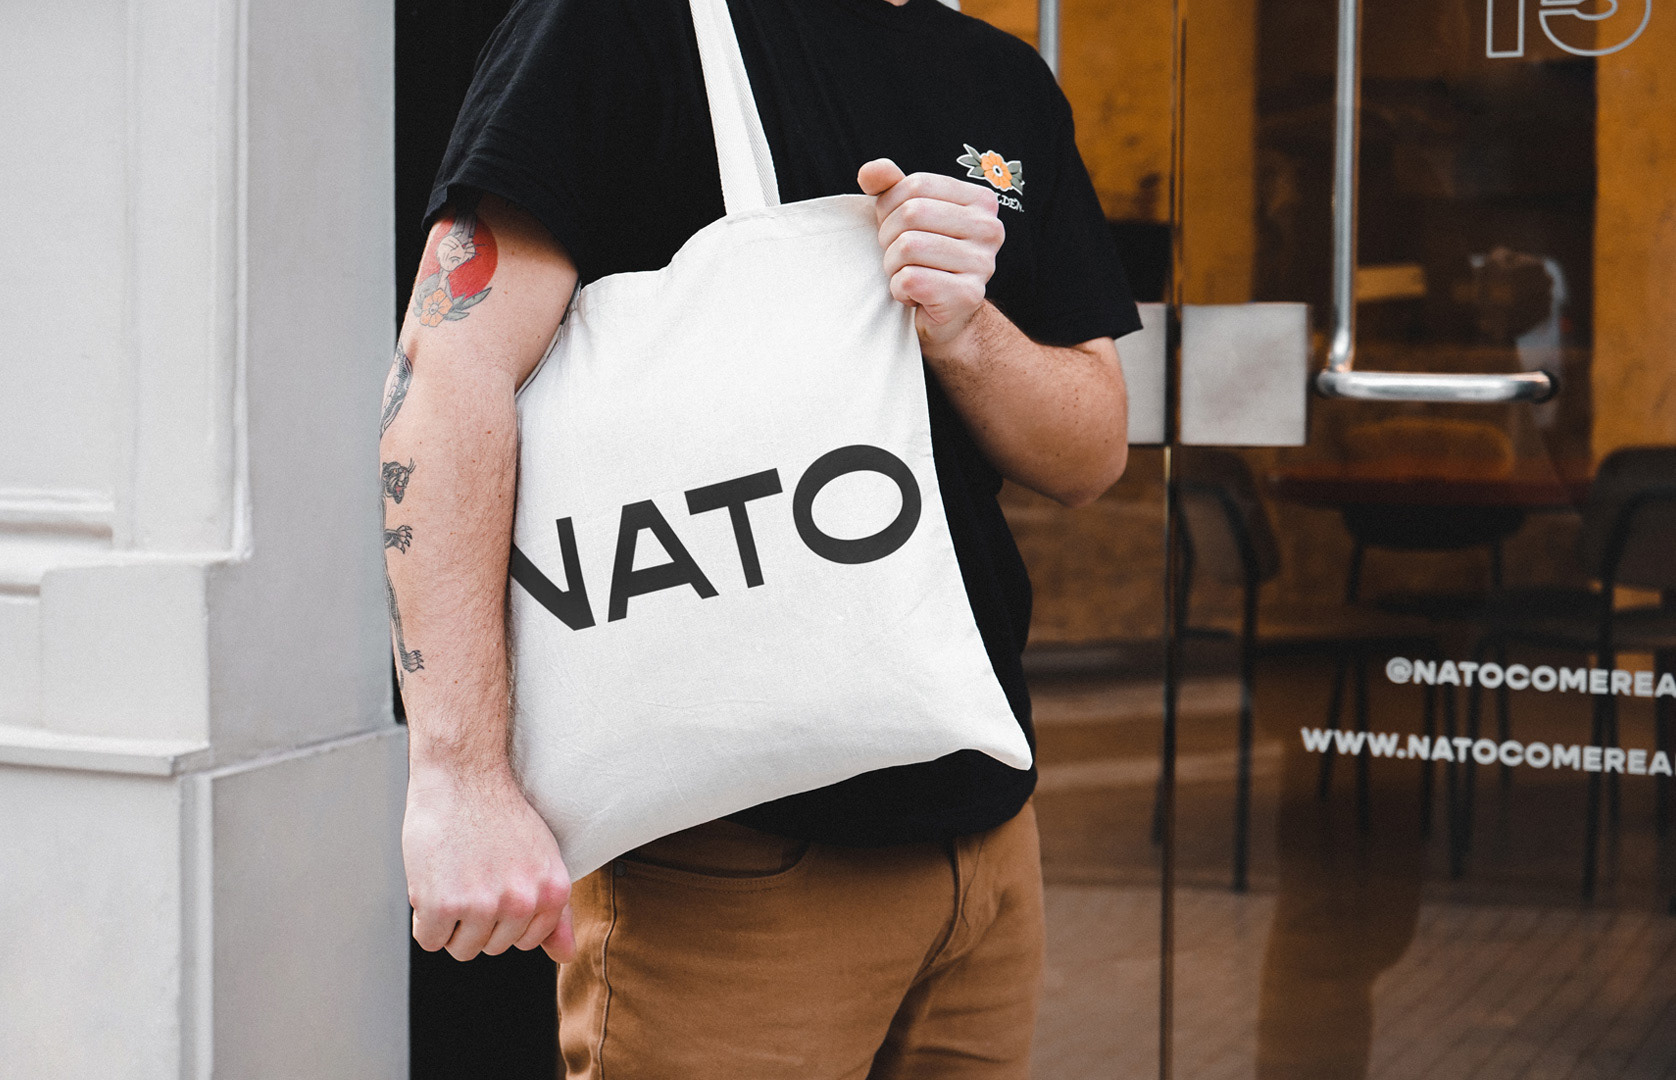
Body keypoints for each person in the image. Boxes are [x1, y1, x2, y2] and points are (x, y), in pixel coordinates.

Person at [383, 0, 1139, 1075]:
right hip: (730, 855)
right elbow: (448, 371)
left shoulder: (1002, 77)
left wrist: (966, 330)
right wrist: (458, 775)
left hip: (988, 831)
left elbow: (1091, 451)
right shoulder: (619, 25)